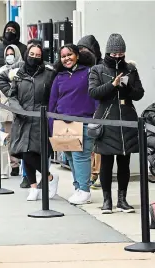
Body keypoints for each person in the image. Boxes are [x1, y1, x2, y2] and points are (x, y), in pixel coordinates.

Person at [89, 33, 144, 214]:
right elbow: (94, 93)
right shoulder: (97, 69)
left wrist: (127, 87)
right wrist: (112, 85)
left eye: (121, 53)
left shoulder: (131, 69)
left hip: (127, 117)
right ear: (108, 53)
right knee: (106, 162)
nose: (118, 57)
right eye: (115, 54)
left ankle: (122, 200)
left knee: (124, 161)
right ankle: (107, 200)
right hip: (106, 117)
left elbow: (139, 94)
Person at [0, 44, 59, 201]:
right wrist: (18, 110)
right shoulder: (18, 72)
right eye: (31, 54)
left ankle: (49, 177)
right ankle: (34, 186)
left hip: (40, 119)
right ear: (26, 54)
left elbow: (55, 93)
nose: (34, 57)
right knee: (23, 153)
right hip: (22, 118)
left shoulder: (48, 73)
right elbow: (11, 93)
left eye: (38, 55)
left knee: (33, 153)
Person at [49, 44, 97, 205]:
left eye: (69, 55)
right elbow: (53, 101)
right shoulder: (59, 77)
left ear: (77, 55)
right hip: (63, 122)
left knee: (80, 156)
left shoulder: (88, 73)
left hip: (83, 121)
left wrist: (96, 120)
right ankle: (78, 187)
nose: (66, 58)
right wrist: (51, 124)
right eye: (63, 56)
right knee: (69, 156)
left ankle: (84, 190)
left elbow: (95, 97)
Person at [0, 44, 23, 177]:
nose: (10, 56)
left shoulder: (23, 68)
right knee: (10, 138)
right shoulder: (1, 71)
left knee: (21, 136)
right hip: (5, 109)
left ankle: (22, 163)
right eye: (7, 54)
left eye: (12, 54)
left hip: (21, 109)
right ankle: (14, 164)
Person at [77, 35, 103, 189]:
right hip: (84, 109)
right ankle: (91, 174)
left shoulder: (100, 66)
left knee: (98, 145)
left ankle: (97, 173)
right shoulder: (78, 68)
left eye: (85, 49)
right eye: (80, 50)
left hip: (98, 108)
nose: (82, 52)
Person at [0, 21, 27, 87]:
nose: (9, 32)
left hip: (18, 84)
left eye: (12, 30)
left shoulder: (23, 48)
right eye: (8, 30)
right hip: (0, 84)